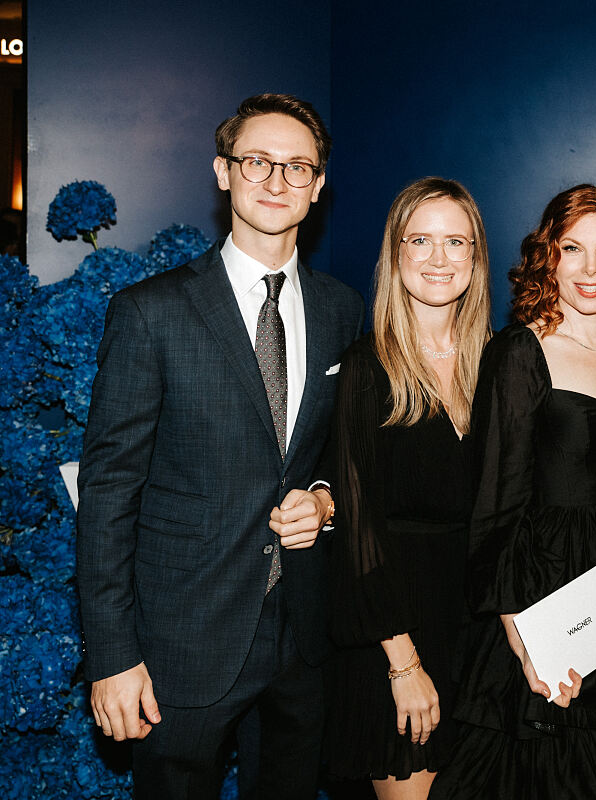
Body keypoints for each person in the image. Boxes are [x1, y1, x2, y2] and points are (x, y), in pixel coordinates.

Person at [75, 93, 363, 799]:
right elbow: (109, 492)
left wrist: (324, 501)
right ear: (222, 172)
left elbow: (336, 458)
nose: (275, 180)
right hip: (184, 642)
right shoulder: (151, 312)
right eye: (256, 161)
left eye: (297, 167)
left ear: (319, 185)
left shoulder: (342, 309)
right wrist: (112, 658)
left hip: (303, 639)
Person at [430, 184, 596, 800]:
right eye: (572, 249)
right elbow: (494, 505)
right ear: (549, 257)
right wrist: (525, 642)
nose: (590, 269)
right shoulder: (520, 350)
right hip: (550, 593)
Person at [321, 177, 490, 800]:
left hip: (478, 633)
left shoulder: (496, 366)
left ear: (476, 258)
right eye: (420, 240)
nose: (439, 259)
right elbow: (358, 532)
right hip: (395, 635)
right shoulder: (367, 367)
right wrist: (403, 662)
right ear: (396, 255)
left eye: (456, 242)